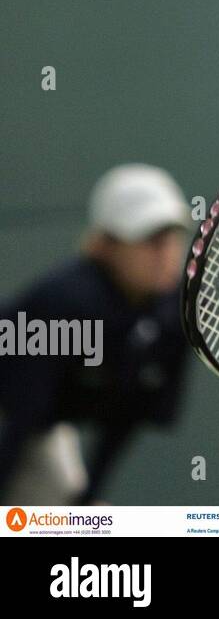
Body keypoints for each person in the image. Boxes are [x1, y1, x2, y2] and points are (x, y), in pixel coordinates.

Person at [0, 164, 192, 504]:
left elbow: (127, 418)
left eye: (170, 238)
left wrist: (85, 504)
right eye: (150, 240)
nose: (164, 254)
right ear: (108, 245)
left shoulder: (176, 316)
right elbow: (19, 422)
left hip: (42, 426)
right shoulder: (62, 303)